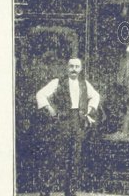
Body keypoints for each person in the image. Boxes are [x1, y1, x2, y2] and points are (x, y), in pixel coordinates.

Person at [35, 57, 100, 196]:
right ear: (67, 67)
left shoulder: (84, 84)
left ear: (81, 69)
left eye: (77, 67)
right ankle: (46, 190)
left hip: (78, 122)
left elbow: (96, 96)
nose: (74, 69)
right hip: (62, 122)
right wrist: (50, 109)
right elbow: (40, 94)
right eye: (71, 66)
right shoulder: (57, 82)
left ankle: (70, 191)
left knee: (75, 157)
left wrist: (89, 110)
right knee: (56, 156)